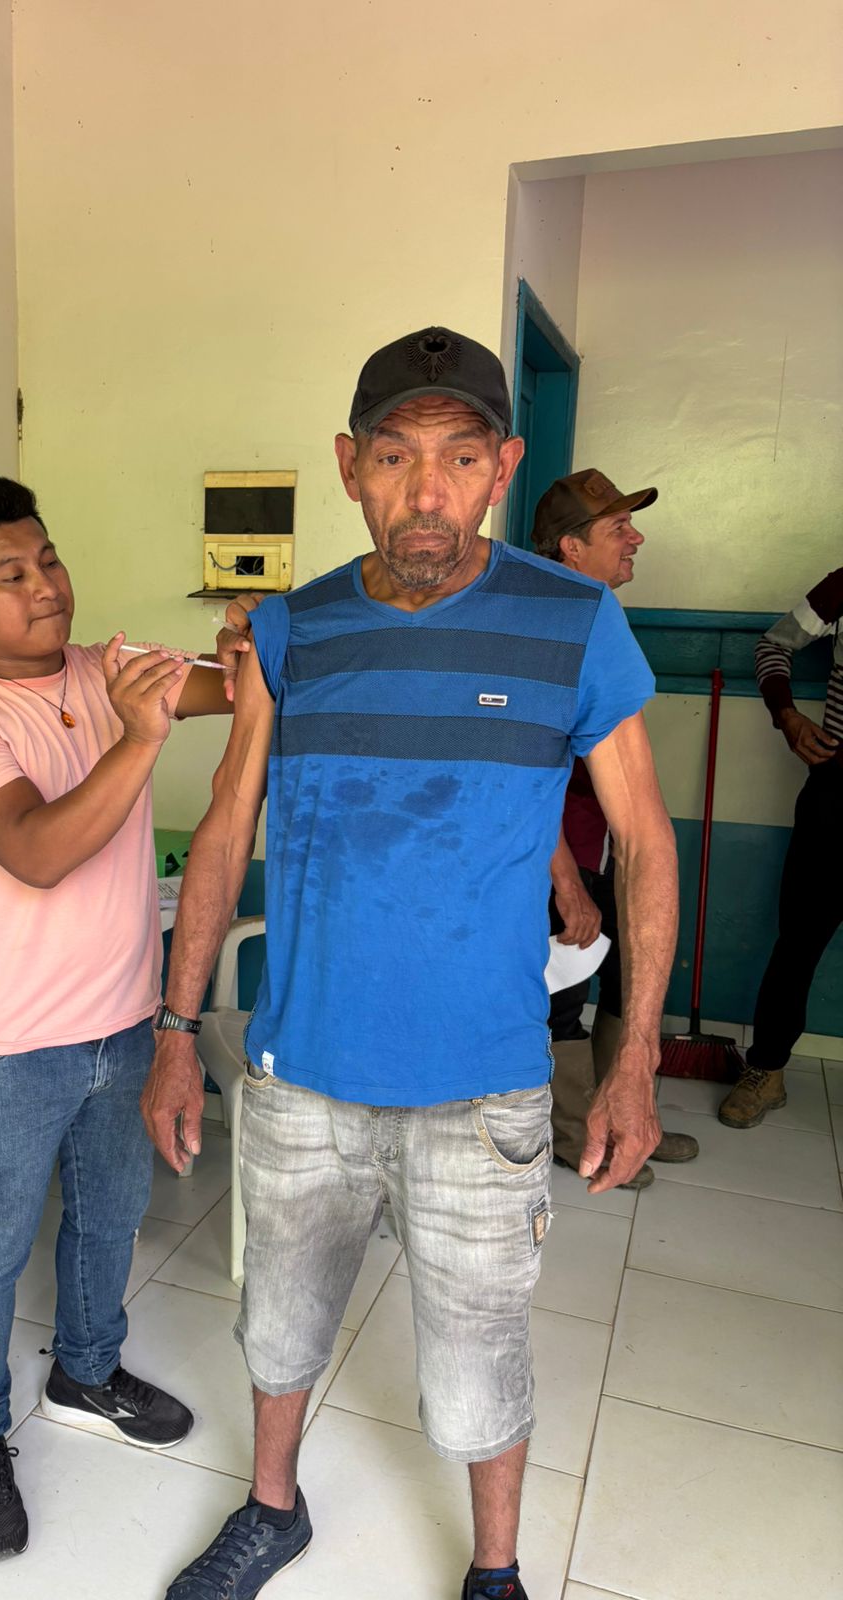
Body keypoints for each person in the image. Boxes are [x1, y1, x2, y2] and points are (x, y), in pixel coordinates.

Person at [141, 329, 678, 1600]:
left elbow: (647, 844)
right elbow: (224, 824)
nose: (427, 492)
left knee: (480, 1360)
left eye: (459, 458)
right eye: (395, 457)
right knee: (279, 1325)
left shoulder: (578, 623)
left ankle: (494, 1571)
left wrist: (635, 1057)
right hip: (300, 1077)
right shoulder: (291, 628)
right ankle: (272, 1508)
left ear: (503, 466)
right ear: (350, 466)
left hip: (481, 1087)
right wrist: (174, 1029)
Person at [0, 476, 247, 1564]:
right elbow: (41, 852)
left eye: (48, 558)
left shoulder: (109, 667)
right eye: (12, 574)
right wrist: (138, 741)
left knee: (109, 1218)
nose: (46, 585)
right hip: (4, 1043)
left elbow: (240, 688)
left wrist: (246, 644)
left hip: (125, 1021)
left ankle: (87, 1372)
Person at [532, 470, 699, 1186]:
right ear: (571, 547)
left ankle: (624, 1115)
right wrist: (567, 884)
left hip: (609, 849)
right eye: (617, 528)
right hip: (559, 856)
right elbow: (528, 778)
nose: (636, 538)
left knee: (628, 986)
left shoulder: (598, 616)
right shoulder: (542, 625)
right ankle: (578, 1136)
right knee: (563, 998)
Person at [718, 568, 843, 1127]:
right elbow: (773, 646)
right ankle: (765, 1069)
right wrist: (787, 716)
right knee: (799, 941)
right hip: (836, 797)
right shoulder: (841, 586)